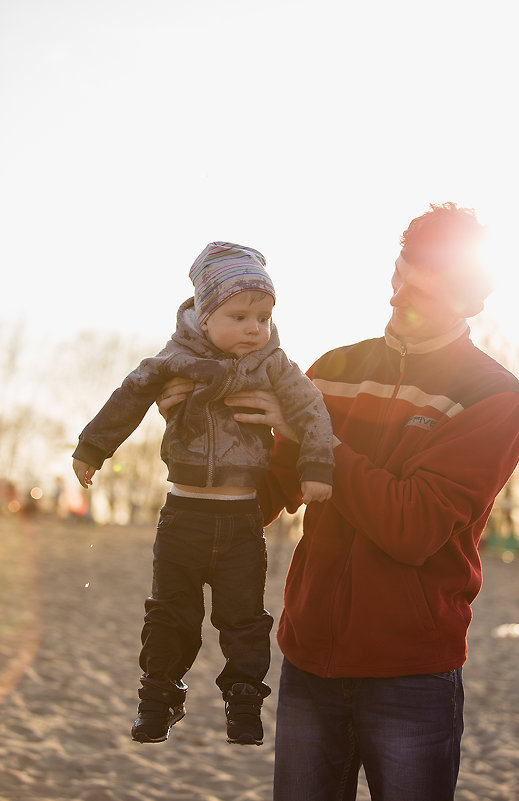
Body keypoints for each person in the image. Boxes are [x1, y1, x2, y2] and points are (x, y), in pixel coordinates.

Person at [158, 205, 519, 799]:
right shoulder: (332, 369)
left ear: (469, 302)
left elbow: (413, 524)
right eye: (398, 277)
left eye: (422, 295)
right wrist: (201, 430)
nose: (399, 300)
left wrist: (315, 437)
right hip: (307, 662)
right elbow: (265, 494)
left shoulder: (493, 397)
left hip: (411, 676)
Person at [72, 241, 334, 747]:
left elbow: (311, 412)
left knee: (243, 618)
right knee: (171, 613)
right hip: (183, 517)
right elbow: (127, 399)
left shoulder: (273, 364)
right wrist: (91, 448)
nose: (254, 328)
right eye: (239, 316)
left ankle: (243, 701)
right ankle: (158, 697)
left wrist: (316, 466)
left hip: (241, 519)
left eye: (263, 316)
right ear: (204, 314)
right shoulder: (173, 361)